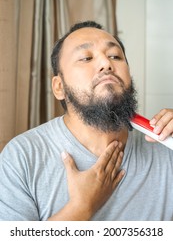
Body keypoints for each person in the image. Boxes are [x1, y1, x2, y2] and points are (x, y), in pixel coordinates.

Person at [0, 20, 173, 221]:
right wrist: (80, 208)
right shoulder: (21, 157)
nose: (106, 63)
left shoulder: (166, 149)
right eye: (85, 58)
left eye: (115, 56)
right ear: (59, 87)